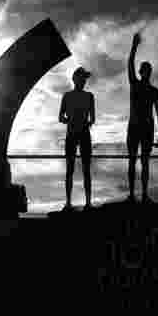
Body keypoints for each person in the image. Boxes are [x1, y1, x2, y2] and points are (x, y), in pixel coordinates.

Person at [127, 32, 158, 204]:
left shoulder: (154, 91)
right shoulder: (134, 84)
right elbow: (130, 64)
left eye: (148, 71)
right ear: (141, 72)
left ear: (150, 73)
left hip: (147, 128)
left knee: (145, 162)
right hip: (134, 127)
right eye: (144, 70)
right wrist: (134, 47)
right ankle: (133, 195)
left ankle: (143, 194)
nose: (145, 73)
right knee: (133, 161)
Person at [59, 66, 95, 210]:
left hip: (83, 133)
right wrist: (70, 121)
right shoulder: (67, 96)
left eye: (85, 79)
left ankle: (88, 202)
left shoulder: (89, 96)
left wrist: (85, 122)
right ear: (75, 79)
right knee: (70, 169)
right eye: (82, 78)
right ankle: (68, 202)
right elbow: (60, 116)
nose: (84, 81)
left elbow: (93, 118)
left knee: (86, 169)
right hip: (73, 133)